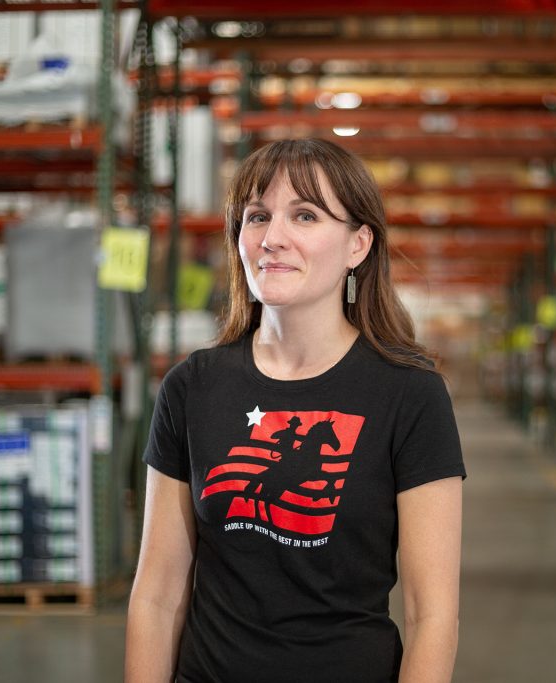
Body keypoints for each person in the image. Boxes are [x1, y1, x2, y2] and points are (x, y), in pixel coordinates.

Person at [125, 138, 466, 683]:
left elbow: (433, 617)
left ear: (358, 244)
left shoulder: (410, 395)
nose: (272, 239)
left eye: (304, 215)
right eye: (256, 216)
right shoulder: (192, 387)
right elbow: (157, 596)